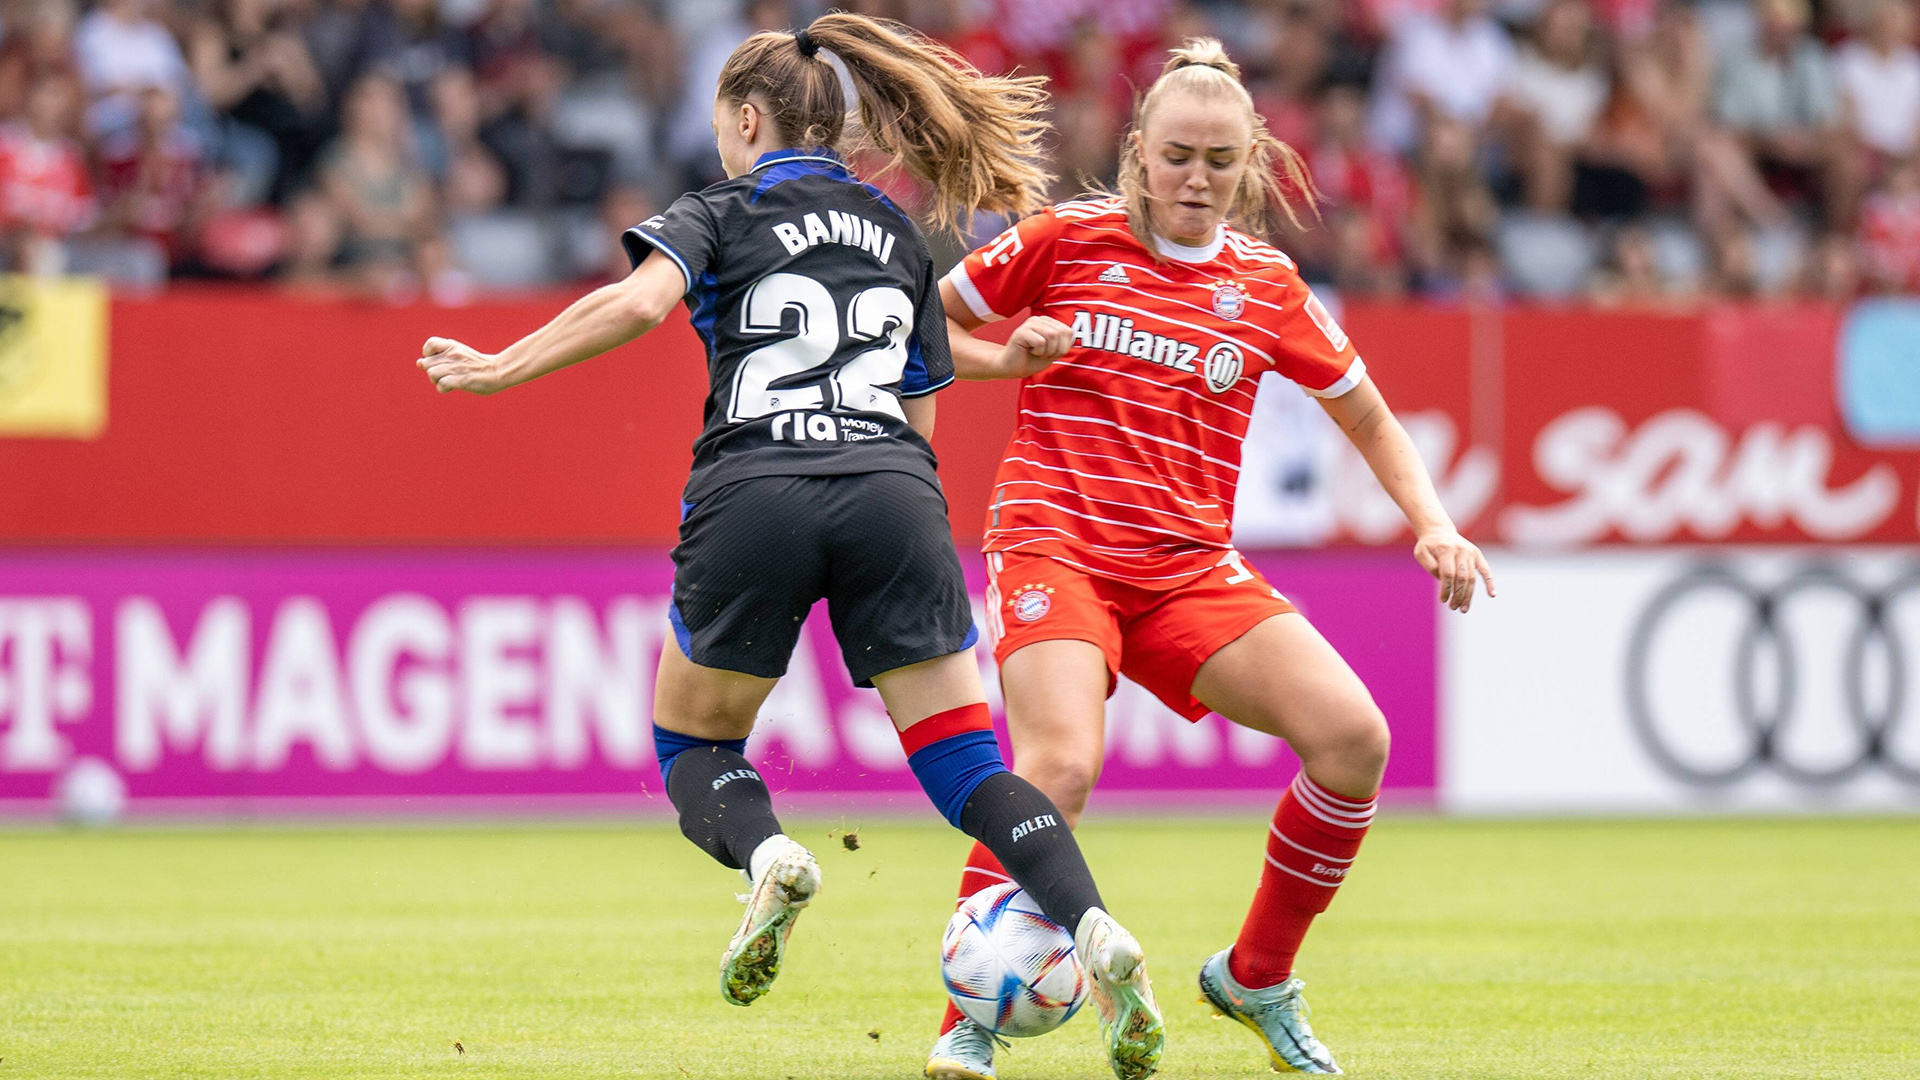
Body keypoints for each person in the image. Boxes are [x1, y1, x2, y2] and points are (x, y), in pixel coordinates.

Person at [413, 15, 1166, 1080]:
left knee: (695, 751)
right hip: (893, 495)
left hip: (753, 492)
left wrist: (499, 366)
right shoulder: (893, 229)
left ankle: (768, 856)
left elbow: (636, 305)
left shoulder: (718, 207)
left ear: (749, 120)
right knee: (968, 766)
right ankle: (1089, 927)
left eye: (724, 123)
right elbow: (918, 398)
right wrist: (908, 495)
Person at [930, 39, 1495, 1079]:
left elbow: (1366, 415)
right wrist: (1004, 356)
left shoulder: (1266, 282)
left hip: (1186, 567)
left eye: (1221, 161)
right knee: (1058, 766)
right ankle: (970, 1016)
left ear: (1252, 163)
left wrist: (1434, 520)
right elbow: (918, 328)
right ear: (1138, 151)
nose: (1198, 179)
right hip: (1055, 536)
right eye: (1178, 155)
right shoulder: (1062, 240)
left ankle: (1256, 975)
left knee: (1354, 740)